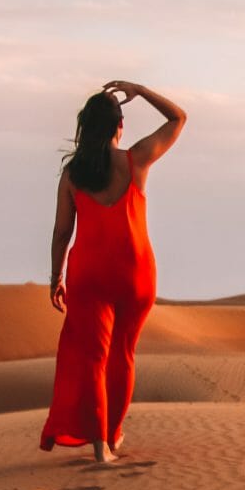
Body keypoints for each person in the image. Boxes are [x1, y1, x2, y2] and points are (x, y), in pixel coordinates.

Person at [40, 81, 186, 462]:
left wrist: (55, 277)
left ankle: (101, 448)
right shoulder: (136, 160)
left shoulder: (73, 175)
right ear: (119, 127)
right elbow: (178, 117)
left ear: (84, 129)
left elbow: (61, 232)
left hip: (89, 274)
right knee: (123, 354)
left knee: (93, 358)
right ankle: (114, 433)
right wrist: (139, 89)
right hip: (135, 271)